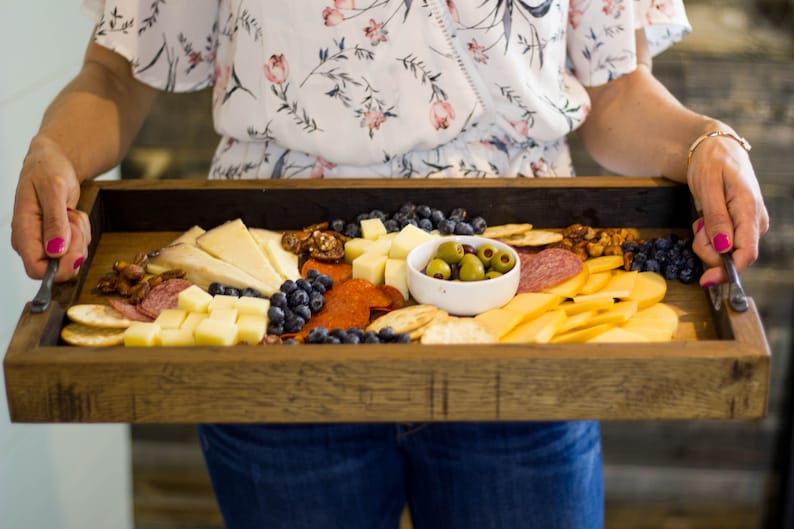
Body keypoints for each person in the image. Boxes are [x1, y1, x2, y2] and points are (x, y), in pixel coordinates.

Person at [11, 1, 769, 528]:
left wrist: (707, 145)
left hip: (517, 338)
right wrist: (53, 150)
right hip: (282, 350)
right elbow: (114, 76)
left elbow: (618, 95)